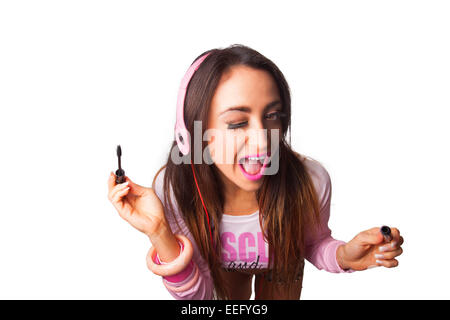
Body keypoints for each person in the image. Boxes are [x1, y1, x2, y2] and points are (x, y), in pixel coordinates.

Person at [107, 44, 404, 300]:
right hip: (219, 269)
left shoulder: (311, 181)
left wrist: (343, 256)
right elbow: (200, 297)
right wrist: (159, 232)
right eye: (237, 123)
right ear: (192, 135)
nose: (264, 142)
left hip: (281, 265)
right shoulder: (175, 188)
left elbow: (312, 243)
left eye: (273, 116)